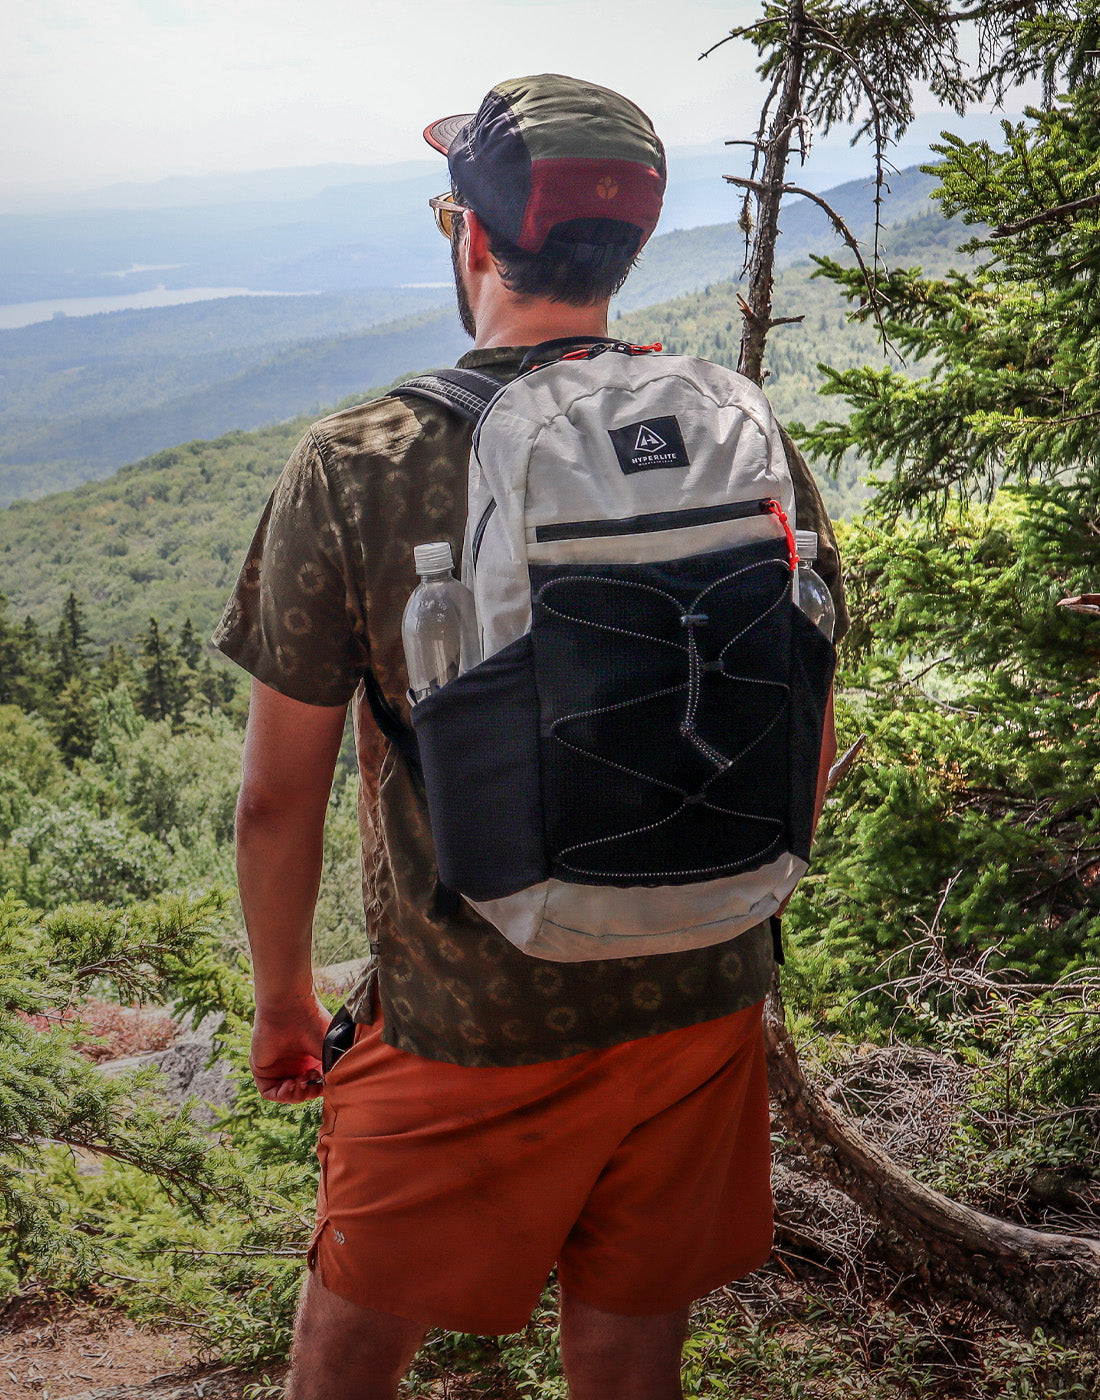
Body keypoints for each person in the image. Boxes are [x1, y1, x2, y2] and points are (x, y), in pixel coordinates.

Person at [213, 73, 846, 1400]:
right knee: (631, 1348)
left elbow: (280, 799)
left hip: (470, 1012)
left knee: (350, 1349)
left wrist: (282, 1004)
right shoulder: (740, 429)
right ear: (626, 248)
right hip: (701, 992)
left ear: (474, 237)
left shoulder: (361, 458)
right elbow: (809, 713)